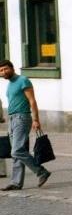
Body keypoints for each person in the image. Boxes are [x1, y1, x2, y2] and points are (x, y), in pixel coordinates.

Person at [0, 60, 51, 191]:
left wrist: (36, 120)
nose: (3, 72)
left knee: (16, 150)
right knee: (16, 152)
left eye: (5, 69)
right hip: (12, 118)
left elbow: (32, 101)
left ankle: (41, 171)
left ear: (12, 68)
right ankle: (16, 183)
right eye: (1, 70)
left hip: (22, 118)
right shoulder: (10, 84)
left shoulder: (23, 80)